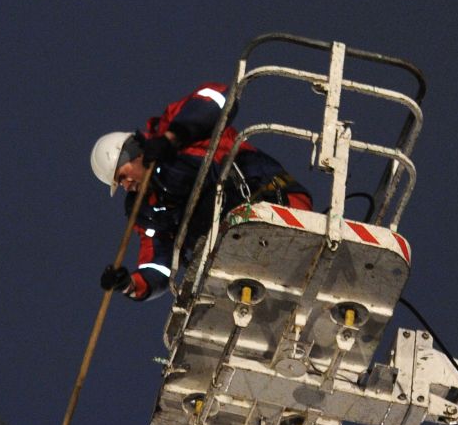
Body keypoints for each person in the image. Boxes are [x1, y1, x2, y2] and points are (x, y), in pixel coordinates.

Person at [91, 82, 312, 302]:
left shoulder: (173, 129)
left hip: (275, 204)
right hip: (230, 259)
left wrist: (171, 138)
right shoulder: (150, 211)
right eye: (119, 184)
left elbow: (218, 98)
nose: (125, 185)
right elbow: (159, 266)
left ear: (133, 153)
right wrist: (130, 284)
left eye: (122, 176)